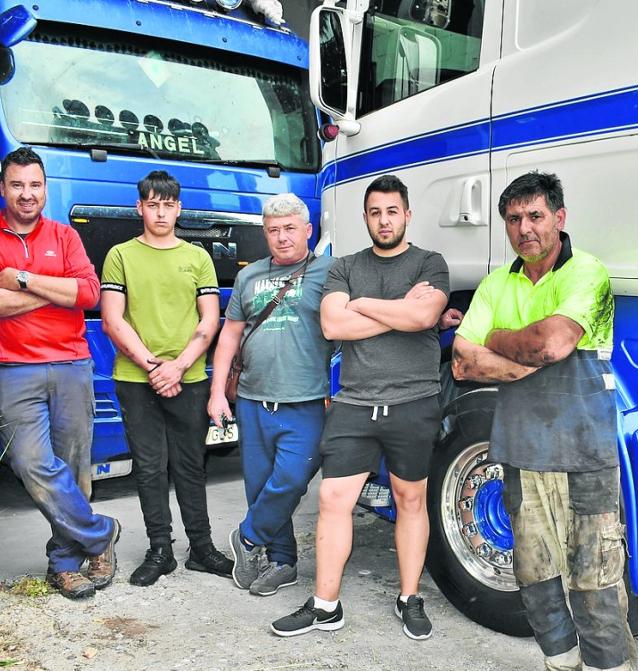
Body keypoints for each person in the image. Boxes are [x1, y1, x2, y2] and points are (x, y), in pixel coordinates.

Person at [451, 171, 633, 671]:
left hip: (585, 452)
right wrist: (523, 352)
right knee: (534, 577)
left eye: (535, 216)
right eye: (513, 219)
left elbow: (553, 344)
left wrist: (500, 341)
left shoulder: (588, 273)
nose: (524, 229)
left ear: (559, 217)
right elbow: (461, 362)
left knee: (597, 579)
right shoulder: (493, 283)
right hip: (523, 451)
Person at [271, 174, 448, 641]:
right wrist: (394, 311)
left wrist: (365, 308)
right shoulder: (344, 266)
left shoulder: (431, 262)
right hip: (354, 401)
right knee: (333, 500)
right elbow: (332, 325)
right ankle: (326, 605)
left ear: (407, 215)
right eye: (375, 212)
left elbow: (424, 317)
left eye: (392, 211)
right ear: (365, 217)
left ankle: (410, 596)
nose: (384, 220)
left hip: (413, 401)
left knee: (411, 499)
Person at [0, 147, 120, 599]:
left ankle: (64, 562)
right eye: (17, 185)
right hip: (13, 368)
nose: (26, 194)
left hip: (71, 363)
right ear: (3, 188)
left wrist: (26, 280)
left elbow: (89, 293)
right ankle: (100, 532)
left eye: (35, 185)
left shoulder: (65, 236)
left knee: (72, 466)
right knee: (31, 463)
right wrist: (57, 292)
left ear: (45, 189)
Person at [99, 170, 234, 586]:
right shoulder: (120, 255)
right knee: (149, 467)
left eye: (168, 204)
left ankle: (201, 548)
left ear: (179, 208)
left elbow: (210, 320)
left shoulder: (197, 258)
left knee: (192, 466)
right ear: (140, 207)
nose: (161, 212)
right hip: (137, 380)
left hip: (188, 378)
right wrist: (155, 367)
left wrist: (178, 366)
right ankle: (160, 549)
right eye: (152, 204)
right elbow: (111, 319)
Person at [208, 194, 332, 597]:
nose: (281, 238)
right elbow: (229, 335)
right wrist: (217, 393)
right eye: (273, 230)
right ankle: (282, 562)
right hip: (252, 399)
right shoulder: (249, 277)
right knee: (260, 487)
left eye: (290, 229)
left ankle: (246, 537)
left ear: (308, 230)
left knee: (292, 480)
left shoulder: (330, 272)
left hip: (305, 400)